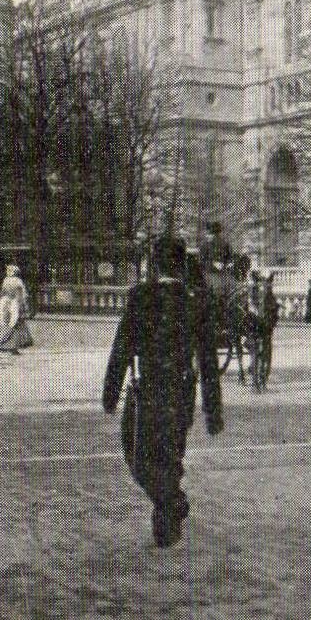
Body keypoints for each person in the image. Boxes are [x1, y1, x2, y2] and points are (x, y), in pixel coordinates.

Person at [102, 234, 222, 547]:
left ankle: (169, 507)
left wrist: (111, 392)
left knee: (137, 455)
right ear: (182, 265)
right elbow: (208, 361)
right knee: (171, 457)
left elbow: (122, 348)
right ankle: (170, 507)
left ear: (154, 263)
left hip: (146, 391)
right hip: (181, 393)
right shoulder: (196, 302)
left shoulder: (140, 296)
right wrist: (212, 410)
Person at [0, 264, 33, 354]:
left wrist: (1, 306)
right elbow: (20, 295)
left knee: (18, 326)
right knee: (15, 326)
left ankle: (15, 347)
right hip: (15, 305)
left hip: (6, 304)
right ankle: (1, 343)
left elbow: (2, 293)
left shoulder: (6, 280)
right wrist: (23, 306)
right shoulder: (18, 281)